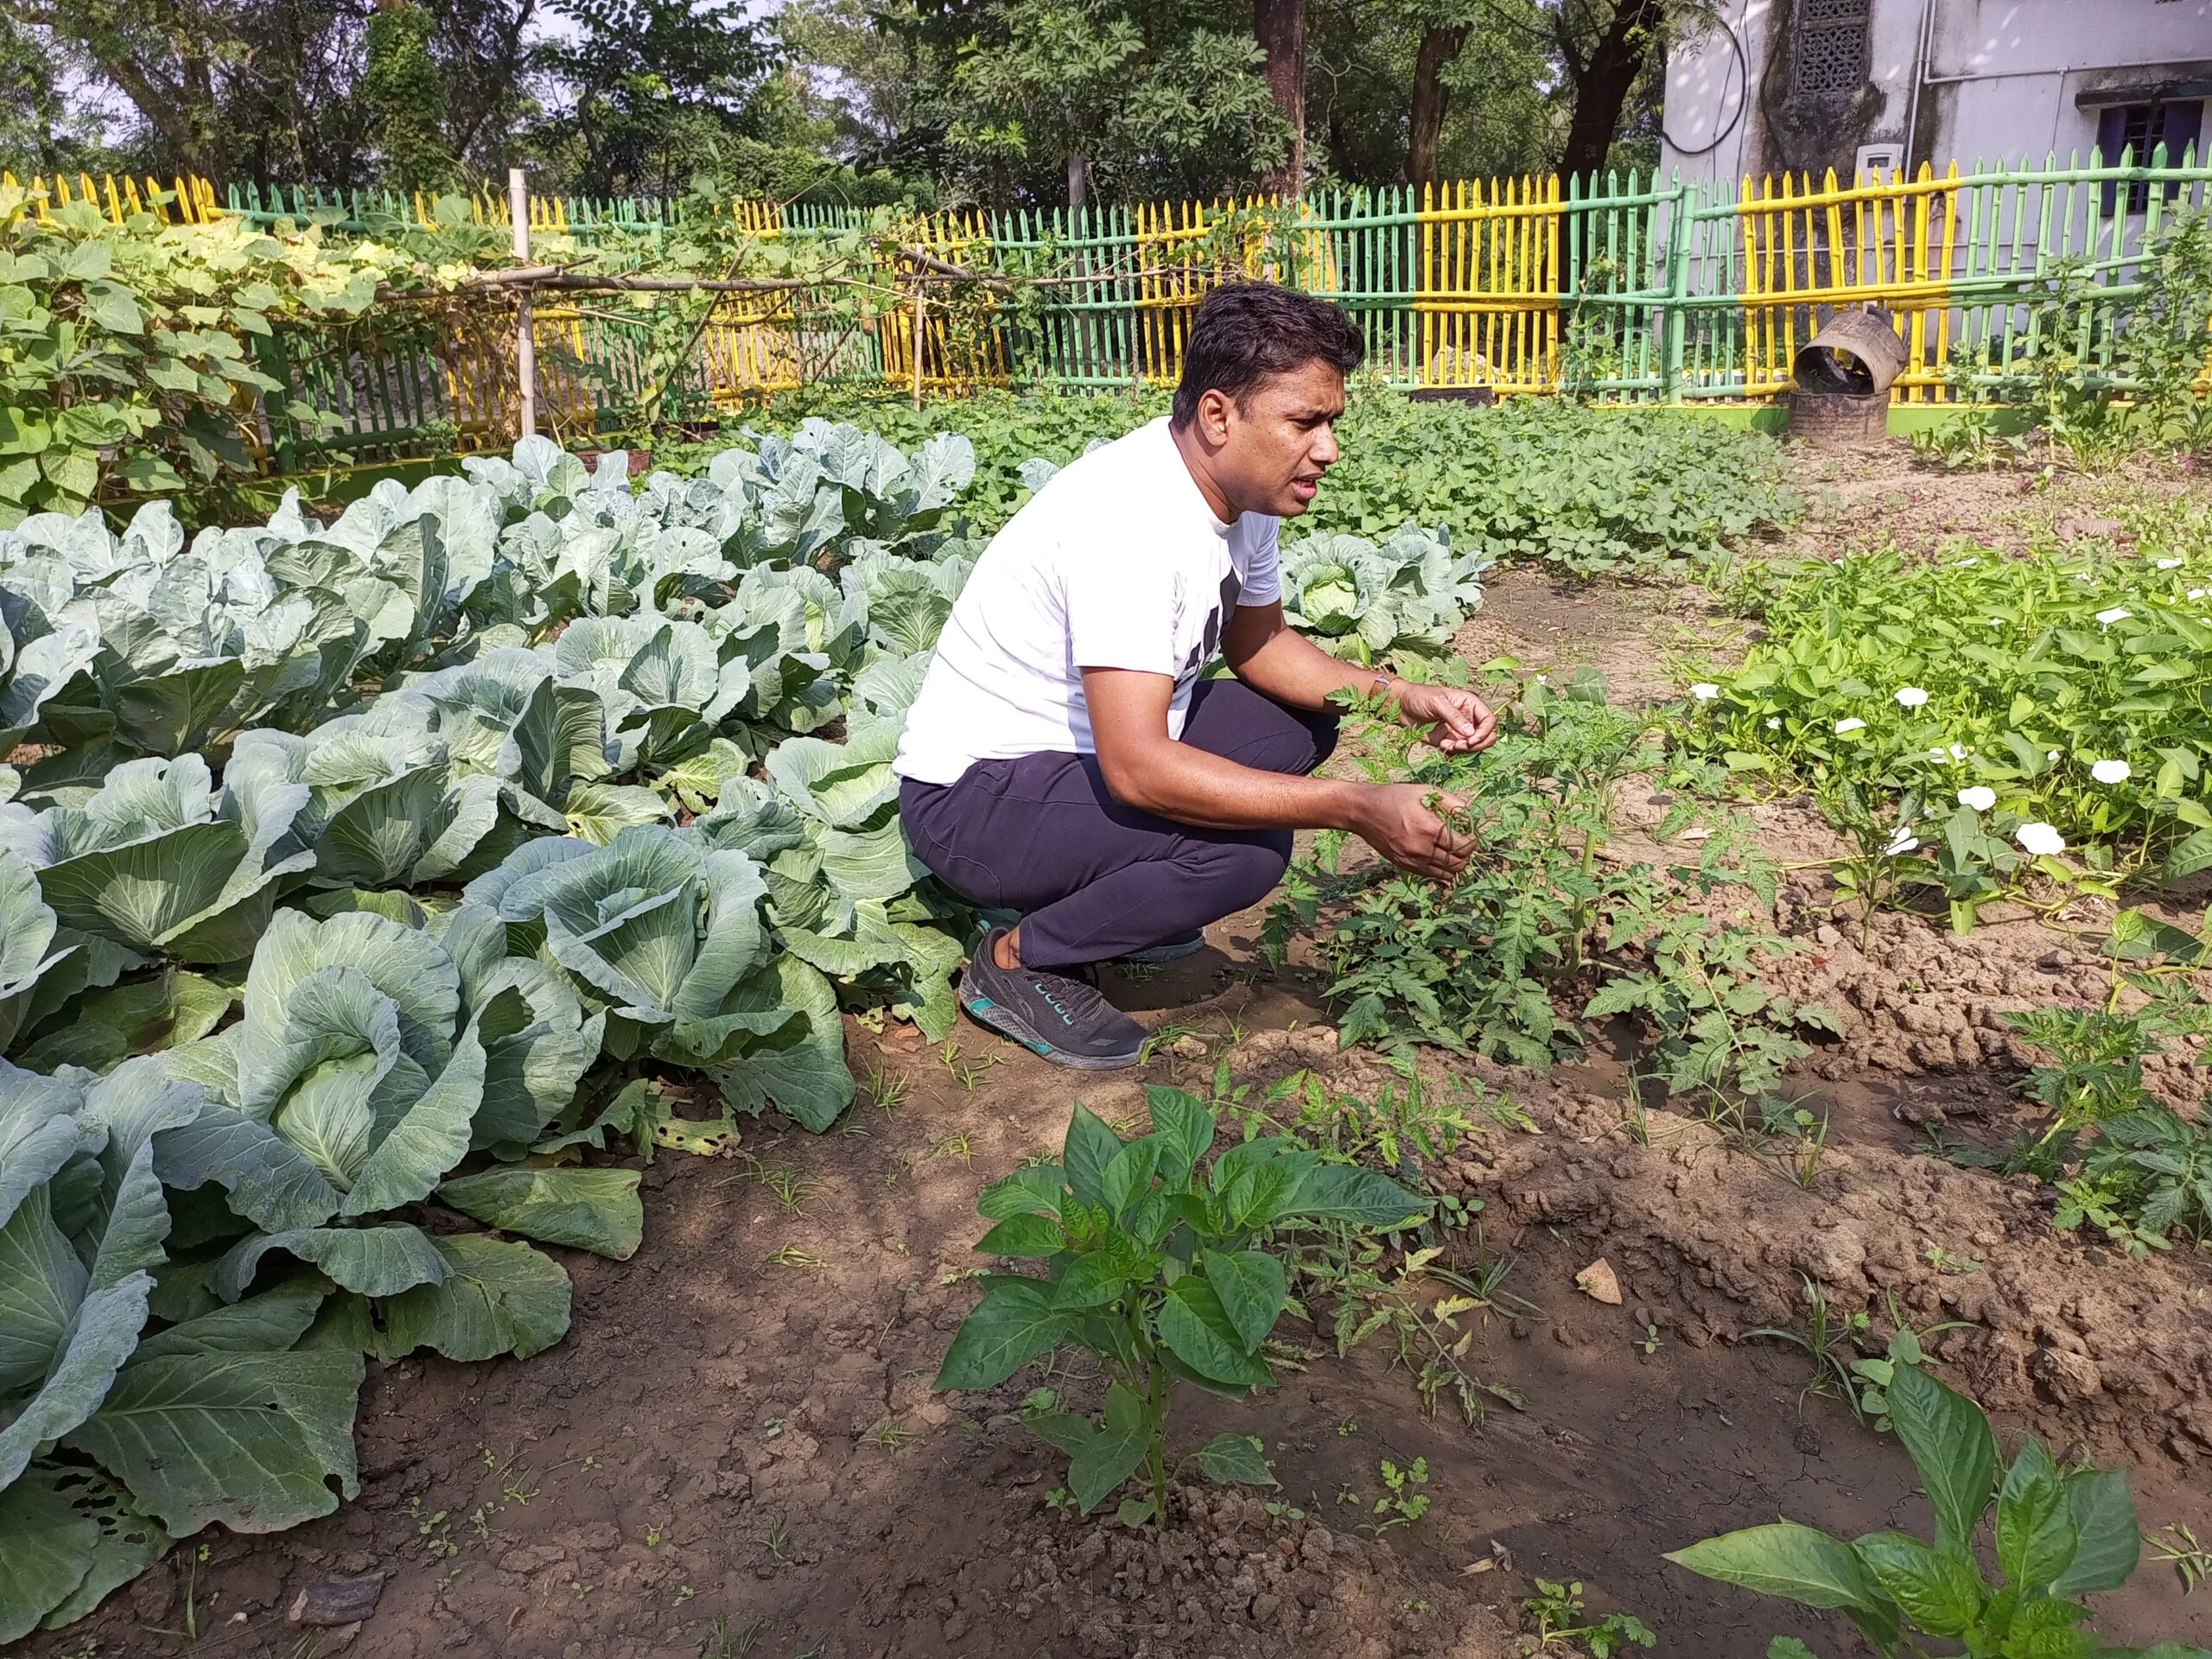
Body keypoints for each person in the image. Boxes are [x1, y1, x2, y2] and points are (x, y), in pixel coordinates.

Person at [893, 281, 1500, 1069]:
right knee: (1248, 852)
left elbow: (1264, 646)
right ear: (1219, 415)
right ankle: (1020, 957)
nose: (1328, 449)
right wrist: (1356, 808)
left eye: (1332, 422)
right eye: (1304, 422)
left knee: (1299, 723)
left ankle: (1118, 894)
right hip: (975, 801)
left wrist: (1402, 695)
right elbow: (1141, 770)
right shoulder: (1132, 522)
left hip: (1080, 758)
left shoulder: (1239, 495)